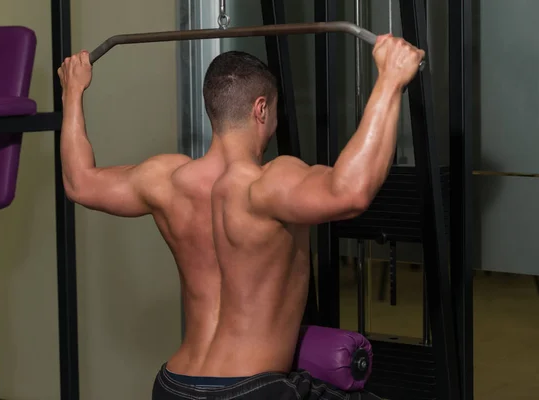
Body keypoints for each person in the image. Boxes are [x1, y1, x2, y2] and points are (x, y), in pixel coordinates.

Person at [58, 33, 424, 399]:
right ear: (261, 109)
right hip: (251, 389)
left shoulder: (166, 181)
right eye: (275, 113)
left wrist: (72, 92)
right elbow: (351, 191)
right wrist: (389, 81)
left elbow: (80, 183)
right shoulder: (267, 184)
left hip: (174, 385)